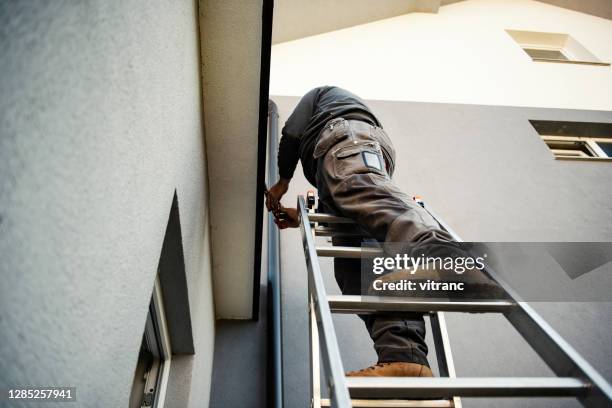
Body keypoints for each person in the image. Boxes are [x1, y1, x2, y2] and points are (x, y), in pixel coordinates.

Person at [265, 86, 457, 377]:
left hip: (348, 140)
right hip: (345, 157)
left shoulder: (320, 94)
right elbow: (355, 198)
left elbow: (291, 133)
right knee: (358, 271)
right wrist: (300, 218)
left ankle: (440, 255)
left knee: (360, 187)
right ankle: (404, 357)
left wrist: (283, 181)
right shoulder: (334, 174)